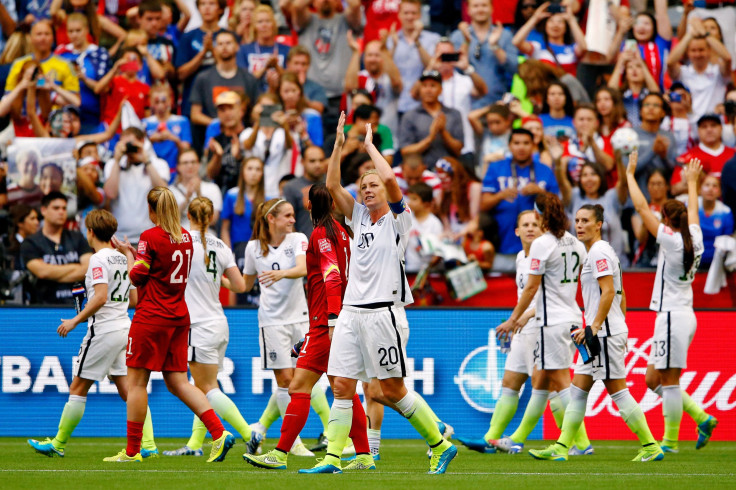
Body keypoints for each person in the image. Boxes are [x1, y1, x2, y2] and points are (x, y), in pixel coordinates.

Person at [299, 113, 456, 474]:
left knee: (390, 389)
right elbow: (333, 184)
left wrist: (370, 146)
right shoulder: (357, 218)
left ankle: (439, 443)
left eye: (373, 185)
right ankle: (332, 459)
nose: (368, 189)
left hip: (384, 312)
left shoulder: (398, 218)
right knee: (340, 385)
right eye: (363, 186)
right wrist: (338, 145)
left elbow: (388, 176)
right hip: (352, 312)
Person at [243, 183, 374, 470]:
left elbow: (332, 276)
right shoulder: (343, 232)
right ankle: (364, 455)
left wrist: (330, 321)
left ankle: (280, 453)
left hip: (326, 322)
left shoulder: (321, 234)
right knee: (344, 391)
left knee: (299, 387)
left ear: (309, 206)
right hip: (336, 319)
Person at [105, 187, 235, 463]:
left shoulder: (150, 237)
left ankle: (132, 452)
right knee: (178, 382)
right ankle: (219, 432)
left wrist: (128, 253)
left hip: (151, 316)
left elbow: (137, 277)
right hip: (179, 316)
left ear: (152, 210)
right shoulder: (186, 238)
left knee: (137, 383)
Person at [528, 203, 664, 463]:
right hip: (604, 332)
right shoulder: (600, 251)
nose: (579, 225)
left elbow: (609, 292)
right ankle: (560, 447)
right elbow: (620, 294)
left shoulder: (599, 252)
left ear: (599, 224)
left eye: (585, 221)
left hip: (601, 335)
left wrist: (597, 328)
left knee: (618, 391)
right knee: (578, 391)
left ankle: (650, 445)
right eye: (577, 220)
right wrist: (615, 326)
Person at [457, 210, 591, 456]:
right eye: (525, 224)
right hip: (524, 328)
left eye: (535, 224)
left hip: (542, 324)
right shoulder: (521, 257)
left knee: (550, 386)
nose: (530, 228)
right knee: (510, 381)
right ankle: (493, 438)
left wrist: (517, 319)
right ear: (517, 231)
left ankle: (580, 443)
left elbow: (540, 295)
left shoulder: (546, 256)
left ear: (542, 230)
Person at [27, 210, 158, 459]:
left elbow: (100, 297)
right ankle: (149, 444)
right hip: (124, 327)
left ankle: (58, 443)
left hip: (104, 331)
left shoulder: (98, 260)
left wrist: (75, 320)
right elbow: (134, 298)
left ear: (90, 232)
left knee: (78, 387)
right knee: (129, 390)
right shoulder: (121, 258)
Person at [627, 154, 718, 453]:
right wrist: (692, 182)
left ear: (666, 221)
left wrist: (630, 174)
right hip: (683, 315)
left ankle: (669, 442)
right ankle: (701, 417)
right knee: (652, 378)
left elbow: (641, 207)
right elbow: (693, 210)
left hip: (671, 317)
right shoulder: (694, 236)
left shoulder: (672, 241)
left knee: (669, 382)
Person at [163, 197, 259, 457]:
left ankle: (250, 435)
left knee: (205, 388)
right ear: (211, 218)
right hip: (219, 323)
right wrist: (219, 282)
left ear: (188, 216)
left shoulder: (179, 243)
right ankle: (195, 445)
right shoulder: (222, 246)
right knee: (202, 383)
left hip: (196, 325)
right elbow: (241, 286)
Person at [493, 192, 586, 455]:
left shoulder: (542, 244)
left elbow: (532, 287)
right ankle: (517, 439)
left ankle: (576, 444)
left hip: (551, 320)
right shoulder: (573, 242)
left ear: (540, 216)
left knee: (560, 382)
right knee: (542, 383)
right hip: (570, 315)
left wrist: (513, 319)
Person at [242, 198, 330, 457]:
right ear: (271, 219)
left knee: (306, 381)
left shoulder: (298, 238)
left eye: (293, 215)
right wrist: (211, 282)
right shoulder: (253, 248)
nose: (293, 220)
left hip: (301, 318)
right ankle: (293, 442)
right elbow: (245, 284)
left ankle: (260, 427)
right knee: (285, 381)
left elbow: (304, 268)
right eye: (288, 215)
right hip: (271, 322)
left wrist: (281, 274)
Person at [480, 128, 559, 271]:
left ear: (533, 146)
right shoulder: (496, 168)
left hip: (538, 249)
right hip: (502, 247)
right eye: (516, 143)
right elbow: (483, 205)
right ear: (509, 146)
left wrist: (541, 192)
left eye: (526, 143)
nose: (521, 147)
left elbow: (558, 209)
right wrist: (500, 195)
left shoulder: (545, 170)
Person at [291, 0, 362, 130]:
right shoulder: (306, 20)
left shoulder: (346, 20)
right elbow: (297, 5)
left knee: (339, 141)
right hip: (310, 95)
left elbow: (356, 4)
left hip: (340, 96)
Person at [189, 29, 259, 148]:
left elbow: (256, 110)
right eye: (220, 44)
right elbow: (195, 115)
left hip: (243, 135)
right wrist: (219, 123)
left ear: (237, 47)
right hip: (214, 135)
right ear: (214, 49)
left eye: (228, 43)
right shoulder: (203, 78)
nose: (224, 47)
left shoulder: (248, 78)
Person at [21, 192, 92, 305]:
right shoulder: (31, 242)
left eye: (64, 208)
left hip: (78, 306)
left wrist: (52, 273)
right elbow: (42, 272)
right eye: (56, 208)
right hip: (44, 306)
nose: (61, 212)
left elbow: (88, 269)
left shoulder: (77, 237)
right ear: (43, 210)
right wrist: (76, 267)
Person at [103, 127, 170, 245]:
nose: (129, 148)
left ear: (142, 142)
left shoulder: (158, 164)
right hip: (119, 238)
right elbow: (110, 193)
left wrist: (146, 161)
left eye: (132, 144)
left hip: (149, 237)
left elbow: (163, 194)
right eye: (125, 144)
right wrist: (117, 160)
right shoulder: (113, 164)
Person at [450, 0, 518, 109]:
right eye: (476, 6)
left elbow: (514, 68)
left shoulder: (504, 35)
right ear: (468, 10)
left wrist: (495, 46)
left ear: (492, 8)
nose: (480, 9)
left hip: (498, 104)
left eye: (484, 5)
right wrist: (466, 42)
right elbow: (453, 71)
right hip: (466, 104)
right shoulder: (457, 36)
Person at [54, 13, 110, 134]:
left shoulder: (99, 54)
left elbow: (105, 88)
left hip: (92, 117)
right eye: (71, 31)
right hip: (64, 118)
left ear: (86, 30)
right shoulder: (60, 53)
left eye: (78, 30)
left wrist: (84, 79)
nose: (74, 35)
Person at [667, 18, 731, 120]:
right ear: (688, 52)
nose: (697, 54)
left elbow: (727, 58)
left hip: (713, 125)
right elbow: (670, 62)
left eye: (701, 50)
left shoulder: (718, 71)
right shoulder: (683, 72)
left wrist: (705, 33)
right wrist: (690, 34)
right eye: (693, 50)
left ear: (709, 51)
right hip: (688, 126)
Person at [399, 70, 464, 169]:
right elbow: (405, 151)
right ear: (420, 89)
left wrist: (443, 132)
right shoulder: (410, 116)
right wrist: (430, 138)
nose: (428, 90)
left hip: (449, 172)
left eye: (433, 86)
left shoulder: (453, 114)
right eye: (424, 86)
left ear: (441, 89)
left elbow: (458, 150)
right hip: (421, 173)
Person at [387, 0, 441, 118]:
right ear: (399, 15)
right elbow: (385, 71)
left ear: (420, 15)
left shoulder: (433, 39)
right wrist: (393, 48)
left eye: (413, 13)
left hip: (424, 104)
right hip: (396, 103)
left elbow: (433, 67)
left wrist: (417, 42)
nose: (410, 17)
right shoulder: (391, 40)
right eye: (406, 13)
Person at [344, 33, 402, 138]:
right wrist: (356, 52)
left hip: (387, 137)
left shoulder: (390, 78)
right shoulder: (360, 78)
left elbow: (397, 84)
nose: (373, 59)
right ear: (364, 58)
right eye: (369, 55)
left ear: (383, 57)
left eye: (377, 55)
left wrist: (385, 50)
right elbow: (349, 87)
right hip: (360, 139)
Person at [607, 0, 672, 89]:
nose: (642, 27)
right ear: (633, 27)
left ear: (654, 27)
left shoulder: (661, 43)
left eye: (647, 23)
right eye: (638, 23)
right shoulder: (626, 46)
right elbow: (609, 58)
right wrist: (621, 32)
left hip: (655, 96)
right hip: (627, 96)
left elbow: (662, 13)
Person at [512, 1, 587, 76]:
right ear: (545, 26)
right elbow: (516, 42)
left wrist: (571, 20)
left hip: (567, 87)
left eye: (560, 22)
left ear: (565, 28)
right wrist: (535, 18)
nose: (555, 25)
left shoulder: (572, 49)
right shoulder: (538, 48)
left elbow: (583, 48)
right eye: (551, 21)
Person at [671, 114, 735, 196]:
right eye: (704, 127)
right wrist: (697, 183)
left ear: (721, 128)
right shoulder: (687, 158)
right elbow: (675, 189)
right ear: (698, 131)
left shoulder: (733, 154)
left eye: (713, 125)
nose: (709, 130)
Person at [236, 4, 290, 92]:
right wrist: (265, 67)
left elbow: (291, 81)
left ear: (273, 24)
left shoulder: (286, 49)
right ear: (254, 26)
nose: (264, 25)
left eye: (268, 21)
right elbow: (243, 81)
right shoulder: (244, 50)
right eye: (260, 22)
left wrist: (277, 67)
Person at [632, 93, 677, 196]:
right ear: (640, 111)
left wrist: (663, 157)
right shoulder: (630, 135)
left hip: (663, 198)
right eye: (647, 105)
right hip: (636, 196)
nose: (651, 108)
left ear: (663, 113)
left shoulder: (669, 137)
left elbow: (673, 170)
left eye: (656, 105)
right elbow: (627, 169)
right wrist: (653, 151)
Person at [143, 84, 192, 177]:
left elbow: (187, 151)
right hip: (152, 172)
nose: (160, 105)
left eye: (164, 101)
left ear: (171, 101)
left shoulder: (182, 121)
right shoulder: (145, 123)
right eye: (157, 102)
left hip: (176, 172)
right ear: (151, 103)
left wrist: (173, 138)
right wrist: (151, 140)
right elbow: (140, 151)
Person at [205, 91, 248, 196]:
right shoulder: (216, 140)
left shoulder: (249, 135)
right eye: (222, 110)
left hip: (245, 195)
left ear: (241, 110)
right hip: (222, 197)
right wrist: (217, 156)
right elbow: (211, 175)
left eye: (231, 108)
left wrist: (239, 157)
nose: (227, 113)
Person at [170, 149, 222, 230]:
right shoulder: (170, 191)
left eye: (193, 162)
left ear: (199, 164)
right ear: (178, 167)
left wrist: (199, 194)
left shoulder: (212, 188)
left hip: (205, 238)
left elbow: (213, 220)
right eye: (185, 163)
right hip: (179, 239)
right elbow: (169, 220)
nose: (190, 166)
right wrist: (187, 199)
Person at [283, 145, 327, 237]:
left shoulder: (333, 183)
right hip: (305, 244)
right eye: (312, 161)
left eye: (321, 160)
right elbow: (288, 221)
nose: (317, 165)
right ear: (302, 162)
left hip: (332, 243)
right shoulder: (291, 187)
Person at [404, 182, 444, 274]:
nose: (409, 202)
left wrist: (429, 267)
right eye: (409, 198)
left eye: (414, 199)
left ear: (426, 204)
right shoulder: (407, 219)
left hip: (430, 271)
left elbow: (438, 251)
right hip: (410, 268)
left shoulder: (434, 223)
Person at [698, 175, 734, 268]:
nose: (710, 189)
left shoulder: (725, 212)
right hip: (693, 259)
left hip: (717, 262)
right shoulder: (691, 206)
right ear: (700, 189)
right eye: (707, 185)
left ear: (720, 192)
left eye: (714, 186)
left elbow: (726, 240)